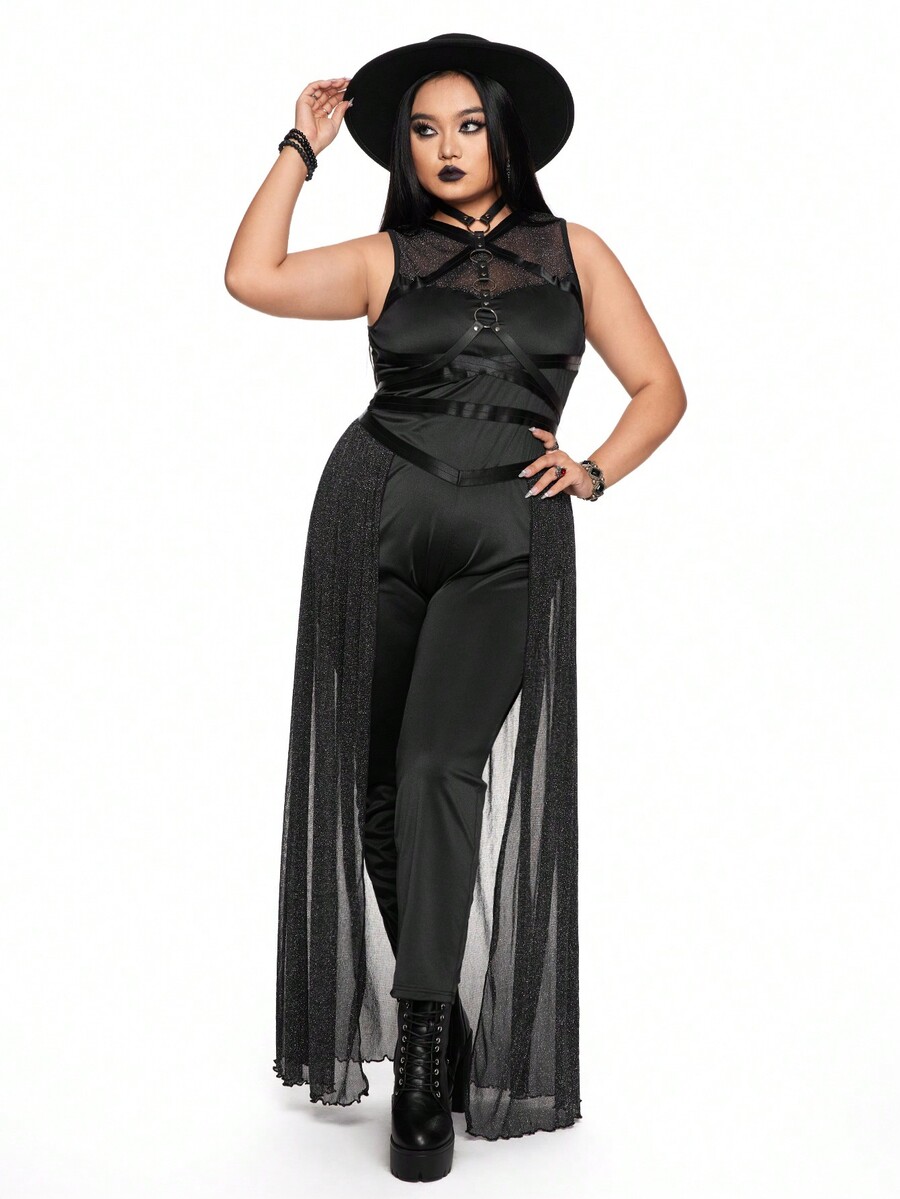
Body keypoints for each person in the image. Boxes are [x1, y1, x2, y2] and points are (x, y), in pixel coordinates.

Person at [225, 32, 686, 1183]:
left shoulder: (576, 251)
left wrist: (595, 468)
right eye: (424, 129)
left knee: (439, 764)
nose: (445, 147)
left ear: (505, 136)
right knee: (377, 786)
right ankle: (442, 1013)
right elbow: (252, 277)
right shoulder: (385, 256)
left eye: (468, 126)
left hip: (505, 538)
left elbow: (660, 386)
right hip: (371, 516)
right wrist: (299, 148)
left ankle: (423, 1058)